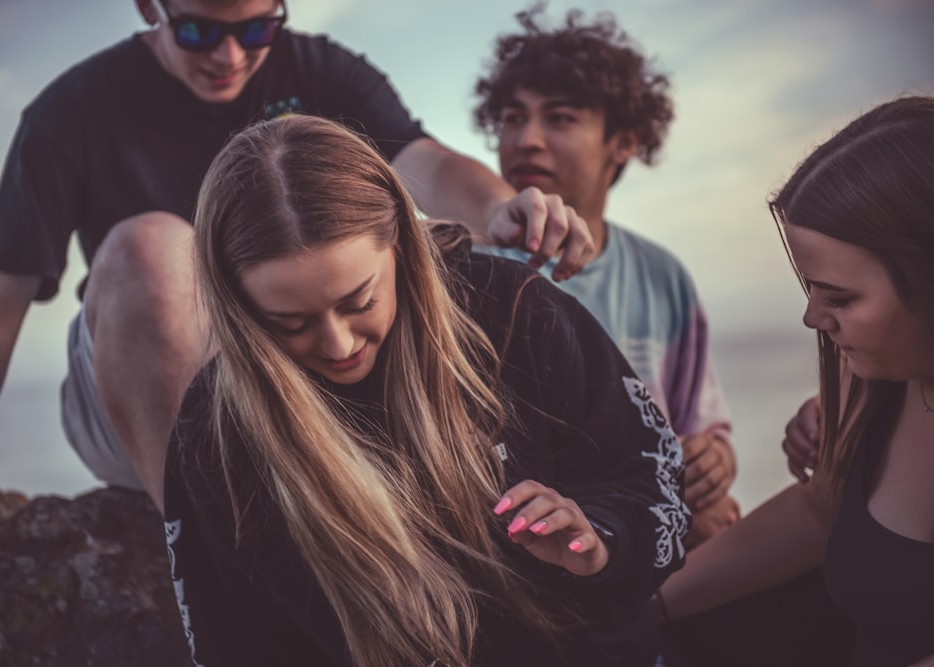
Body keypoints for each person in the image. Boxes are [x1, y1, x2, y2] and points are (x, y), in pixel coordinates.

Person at [0, 0, 595, 622]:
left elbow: (426, 164)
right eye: (198, 31)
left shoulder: (320, 70)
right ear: (148, 7)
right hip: (138, 388)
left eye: (256, 29)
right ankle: (226, 564)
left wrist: (500, 207)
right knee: (153, 251)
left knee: (412, 250)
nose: (229, 55)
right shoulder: (69, 112)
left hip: (300, 370)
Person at [163, 113, 689, 666]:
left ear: (401, 246)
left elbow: (656, 482)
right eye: (289, 323)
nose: (338, 344)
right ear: (237, 305)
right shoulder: (213, 432)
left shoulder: (511, 311)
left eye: (359, 301)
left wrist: (599, 540)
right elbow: (230, 645)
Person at [659, 95, 934, 667]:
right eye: (810, 288)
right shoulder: (867, 378)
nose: (813, 318)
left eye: (840, 297)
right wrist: (635, 611)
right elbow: (821, 508)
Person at [471, 5, 738, 547]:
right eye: (514, 117)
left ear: (624, 140)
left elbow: (699, 424)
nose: (527, 139)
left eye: (561, 118)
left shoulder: (662, 275)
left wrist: (715, 458)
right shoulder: (471, 272)